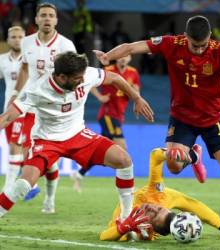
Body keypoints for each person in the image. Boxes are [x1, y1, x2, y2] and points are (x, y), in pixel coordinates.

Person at [94, 15, 220, 244]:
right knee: (172, 166)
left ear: (209, 38)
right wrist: (108, 56)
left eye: (203, 45)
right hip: (182, 118)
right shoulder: (173, 44)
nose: (200, 50)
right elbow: (134, 46)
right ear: (186, 37)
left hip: (213, 119)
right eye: (195, 45)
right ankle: (194, 155)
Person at [0, 51, 154, 220]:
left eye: (82, 77)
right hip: (47, 141)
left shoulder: (86, 74)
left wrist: (137, 98)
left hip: (79, 135)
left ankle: (126, 219)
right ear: (61, 77)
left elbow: (115, 78)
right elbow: (7, 117)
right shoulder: (37, 89)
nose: (82, 81)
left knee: (124, 160)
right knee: (24, 184)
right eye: (76, 79)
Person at [9, 2, 77, 208]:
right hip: (31, 104)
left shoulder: (66, 46)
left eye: (51, 15)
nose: (47, 18)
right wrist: (15, 93)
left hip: (54, 108)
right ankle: (25, 184)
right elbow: (24, 69)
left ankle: (50, 198)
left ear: (56, 20)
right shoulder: (27, 42)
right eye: (43, 15)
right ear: (36, 19)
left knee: (50, 160)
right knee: (27, 147)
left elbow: (75, 78)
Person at [100, 148, 220, 241]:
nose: (152, 208)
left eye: (154, 215)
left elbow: (105, 236)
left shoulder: (140, 228)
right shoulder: (156, 195)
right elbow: (155, 156)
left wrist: (124, 228)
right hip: (162, 195)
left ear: (150, 227)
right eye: (158, 209)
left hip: (155, 203)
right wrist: (168, 154)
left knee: (188, 203)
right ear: (164, 208)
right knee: (189, 203)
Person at [71, 55, 141, 192]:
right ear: (117, 58)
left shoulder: (133, 72)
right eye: (121, 57)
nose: (123, 59)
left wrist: (136, 97)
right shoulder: (109, 70)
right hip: (108, 115)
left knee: (100, 151)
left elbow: (136, 89)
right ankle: (127, 184)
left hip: (119, 115)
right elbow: (89, 82)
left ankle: (79, 173)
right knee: (122, 148)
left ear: (130, 58)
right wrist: (99, 97)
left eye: (126, 57)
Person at [0, 26, 25, 193]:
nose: (17, 39)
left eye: (20, 36)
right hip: (8, 110)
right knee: (14, 147)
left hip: (26, 109)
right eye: (13, 37)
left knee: (16, 146)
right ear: (8, 40)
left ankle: (8, 188)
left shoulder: (31, 58)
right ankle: (32, 184)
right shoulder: (2, 60)